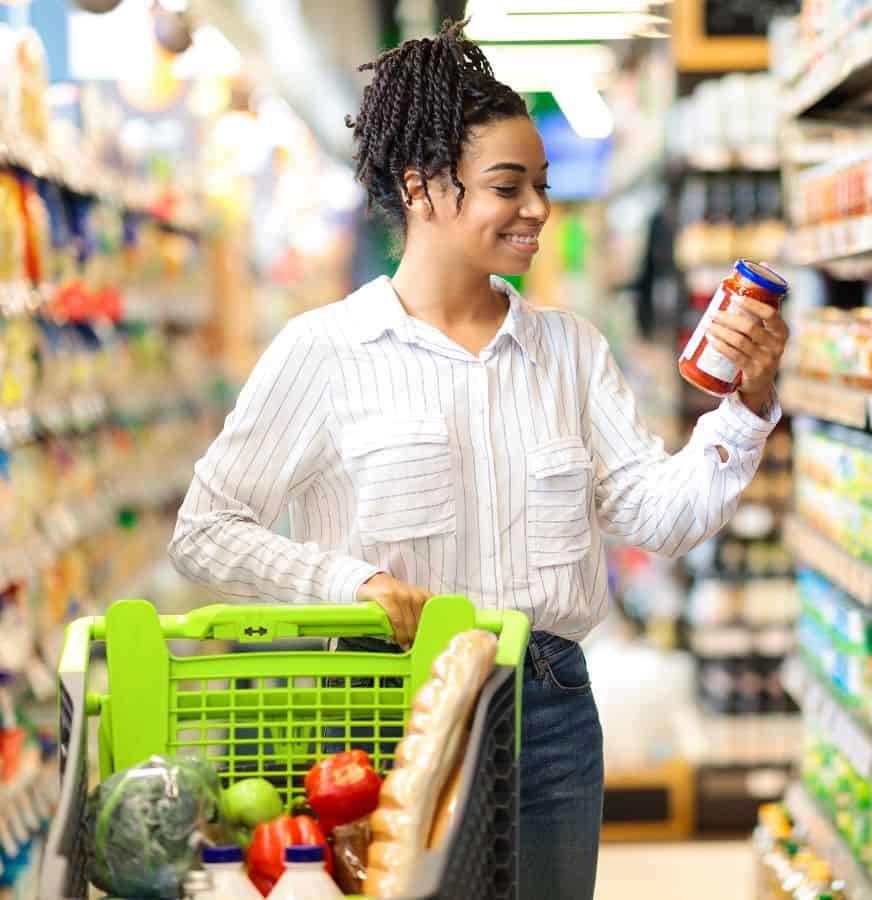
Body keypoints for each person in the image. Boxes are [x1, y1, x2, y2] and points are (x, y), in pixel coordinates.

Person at [168, 19, 788, 900]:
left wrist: (747, 408)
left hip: (548, 711)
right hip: (378, 708)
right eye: (508, 186)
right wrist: (352, 586)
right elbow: (206, 532)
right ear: (422, 188)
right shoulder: (325, 350)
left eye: (538, 184)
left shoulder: (569, 350)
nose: (537, 207)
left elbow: (658, 516)